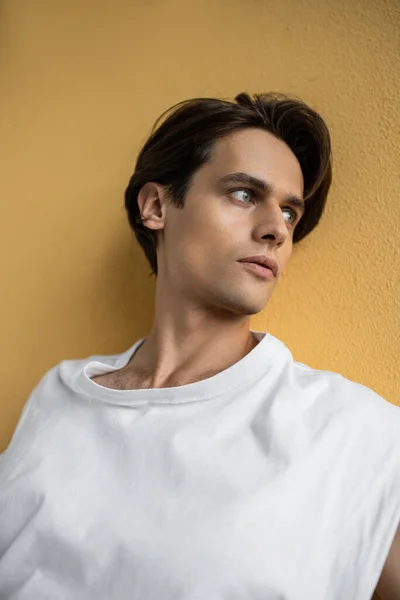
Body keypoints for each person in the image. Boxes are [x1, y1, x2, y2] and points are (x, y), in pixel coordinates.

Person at [0, 92, 399, 600]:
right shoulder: (58, 396)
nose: (276, 228)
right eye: (244, 194)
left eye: (291, 213)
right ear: (156, 206)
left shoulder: (351, 432)